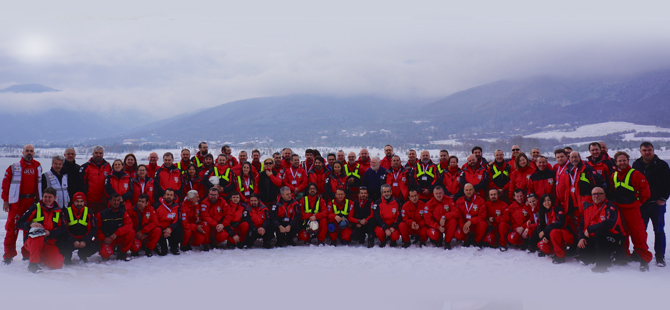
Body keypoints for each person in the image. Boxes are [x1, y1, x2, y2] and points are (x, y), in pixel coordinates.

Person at [610, 151, 652, 271]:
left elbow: (646, 192)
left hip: (632, 210)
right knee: (621, 233)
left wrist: (638, 203)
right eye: (619, 161)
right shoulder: (613, 175)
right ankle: (623, 256)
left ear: (628, 161)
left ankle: (644, 259)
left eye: (624, 160)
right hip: (619, 210)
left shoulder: (636, 174)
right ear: (616, 162)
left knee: (638, 234)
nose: (622, 163)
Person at [3, 144, 42, 264]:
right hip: (16, 203)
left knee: (29, 228)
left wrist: (39, 201)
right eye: (27, 151)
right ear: (22, 152)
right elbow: (5, 185)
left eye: (31, 151)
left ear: (34, 153)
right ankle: (8, 255)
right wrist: (5, 200)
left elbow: (40, 185)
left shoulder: (37, 166)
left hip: (31, 202)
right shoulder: (14, 167)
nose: (29, 153)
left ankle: (27, 253)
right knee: (12, 229)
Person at [633, 142, 669, 267]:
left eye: (649, 150)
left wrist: (663, 198)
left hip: (657, 203)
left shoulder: (661, 165)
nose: (647, 152)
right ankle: (639, 252)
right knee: (640, 230)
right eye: (644, 150)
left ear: (653, 150)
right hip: (642, 204)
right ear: (640, 151)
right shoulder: (636, 164)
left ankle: (660, 256)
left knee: (658, 230)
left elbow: (667, 183)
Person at [578, 187, 625, 273]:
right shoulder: (588, 208)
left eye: (599, 194)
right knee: (582, 251)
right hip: (595, 238)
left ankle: (602, 264)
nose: (596, 196)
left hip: (612, 237)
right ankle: (601, 255)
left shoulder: (610, 207)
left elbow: (609, 224)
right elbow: (581, 226)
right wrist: (581, 238)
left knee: (600, 232)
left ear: (604, 195)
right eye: (594, 194)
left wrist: (590, 228)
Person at [17, 188, 64, 273]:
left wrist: (50, 233)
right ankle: (33, 264)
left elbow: (63, 229)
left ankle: (39, 256)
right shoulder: (35, 208)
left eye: (50, 197)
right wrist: (30, 224)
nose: (47, 199)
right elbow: (19, 223)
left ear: (55, 198)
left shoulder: (58, 211)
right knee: (38, 237)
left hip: (49, 242)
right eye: (45, 196)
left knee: (57, 264)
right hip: (32, 241)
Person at [58, 191, 98, 264]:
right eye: (77, 201)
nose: (79, 204)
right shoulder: (66, 212)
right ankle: (67, 257)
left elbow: (93, 228)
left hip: (83, 240)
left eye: (81, 201)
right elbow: (64, 229)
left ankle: (82, 254)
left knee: (95, 246)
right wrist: (73, 240)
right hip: (70, 240)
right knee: (62, 245)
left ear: (84, 202)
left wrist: (85, 240)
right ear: (73, 202)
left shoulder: (89, 212)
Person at [96, 194, 134, 261]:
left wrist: (117, 233)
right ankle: (108, 250)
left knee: (131, 232)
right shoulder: (102, 214)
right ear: (110, 201)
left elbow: (129, 225)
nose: (116, 203)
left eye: (118, 200)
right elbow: (97, 229)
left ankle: (122, 252)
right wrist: (104, 238)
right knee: (105, 255)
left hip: (118, 238)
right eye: (114, 200)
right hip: (107, 239)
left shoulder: (123, 213)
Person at [535, 194, 571, 264]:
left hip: (564, 235)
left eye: (549, 200)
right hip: (551, 236)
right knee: (541, 245)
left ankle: (560, 256)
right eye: (544, 201)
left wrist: (545, 232)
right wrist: (544, 237)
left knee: (554, 232)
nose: (547, 202)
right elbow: (541, 226)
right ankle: (554, 251)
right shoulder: (543, 213)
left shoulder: (558, 209)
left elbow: (559, 224)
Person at [454, 184, 488, 249]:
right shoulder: (459, 201)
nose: (468, 192)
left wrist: (471, 221)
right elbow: (459, 216)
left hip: (475, 225)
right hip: (465, 225)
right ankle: (466, 240)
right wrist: (462, 226)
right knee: (457, 234)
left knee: (483, 224)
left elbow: (482, 216)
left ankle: (477, 242)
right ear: (464, 191)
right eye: (466, 190)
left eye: (470, 190)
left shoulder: (480, 201)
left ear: (473, 190)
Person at [79, 145, 111, 214]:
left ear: (103, 154)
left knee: (101, 220)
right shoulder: (86, 166)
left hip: (103, 200)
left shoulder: (107, 166)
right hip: (90, 200)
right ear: (92, 154)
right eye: (96, 153)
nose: (98, 155)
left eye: (100, 153)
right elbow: (81, 184)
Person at [154, 188, 183, 255]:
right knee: (163, 253)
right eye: (167, 195)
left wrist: (170, 228)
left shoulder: (177, 207)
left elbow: (178, 220)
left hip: (170, 229)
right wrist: (162, 230)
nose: (169, 196)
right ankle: (160, 244)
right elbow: (154, 220)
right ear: (164, 196)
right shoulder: (157, 206)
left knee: (179, 230)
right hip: (160, 229)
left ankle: (174, 246)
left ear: (173, 197)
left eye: (171, 195)